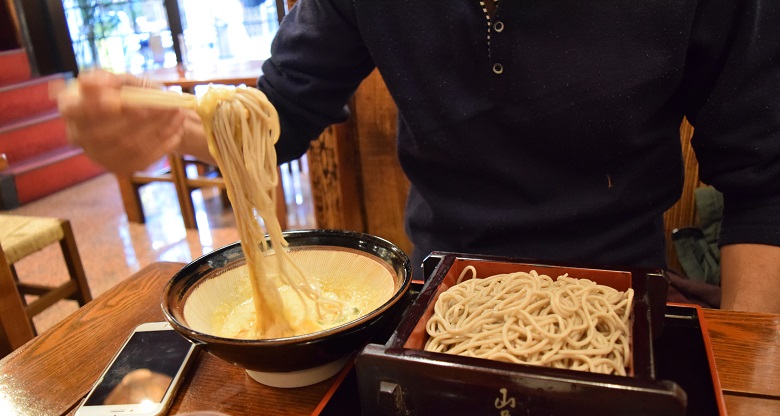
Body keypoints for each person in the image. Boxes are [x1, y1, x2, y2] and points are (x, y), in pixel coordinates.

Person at [58, 0, 780, 314]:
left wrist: (748, 390)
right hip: (436, 296)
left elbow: (764, 179)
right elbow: (276, 118)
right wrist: (161, 126)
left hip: (626, 295)